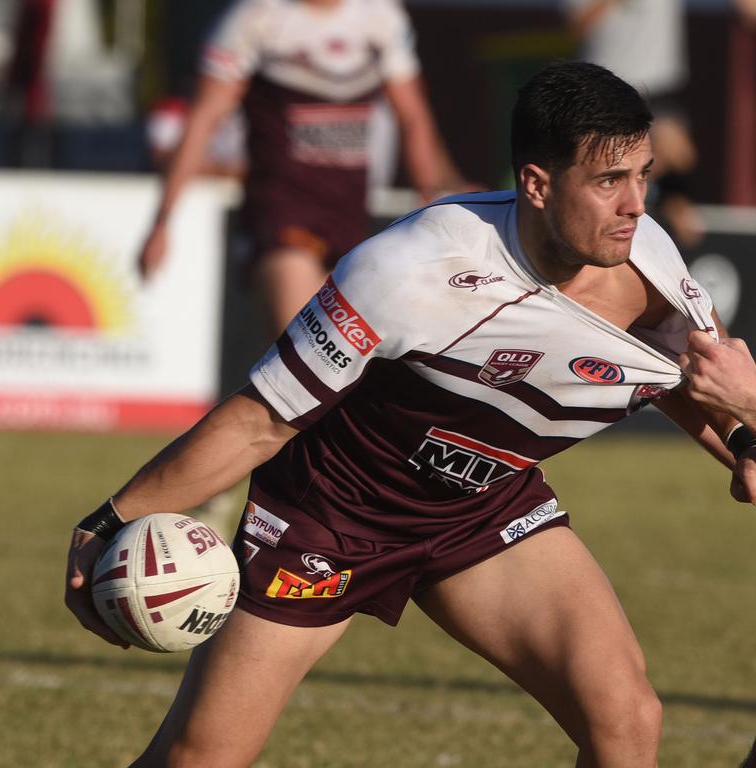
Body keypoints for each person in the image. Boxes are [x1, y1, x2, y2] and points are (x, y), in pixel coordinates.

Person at [66, 61, 756, 767]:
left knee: (627, 720)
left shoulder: (645, 254)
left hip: (482, 511)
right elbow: (258, 422)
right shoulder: (411, 269)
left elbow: (683, 374)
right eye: (609, 181)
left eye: (644, 175)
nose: (636, 205)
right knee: (199, 758)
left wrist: (742, 441)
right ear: (538, 185)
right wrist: (108, 520)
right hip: (330, 519)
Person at [137, 0, 473, 338]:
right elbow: (204, 119)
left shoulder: (380, 16)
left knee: (336, 370)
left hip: (349, 214)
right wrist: (163, 220)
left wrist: (436, 199)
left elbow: (412, 115)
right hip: (281, 209)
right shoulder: (255, 17)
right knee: (303, 352)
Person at [563, 0, 704, 247]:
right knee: (620, 160)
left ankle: (675, 228)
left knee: (678, 155)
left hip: (659, 83)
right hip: (609, 85)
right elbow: (577, 25)